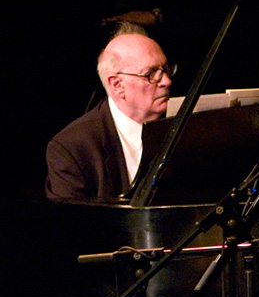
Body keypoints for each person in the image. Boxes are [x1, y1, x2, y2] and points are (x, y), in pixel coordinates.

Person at [45, 23, 175, 200]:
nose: (166, 81)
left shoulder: (184, 124)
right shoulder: (72, 148)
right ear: (117, 85)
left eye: (166, 70)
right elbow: (69, 224)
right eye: (151, 74)